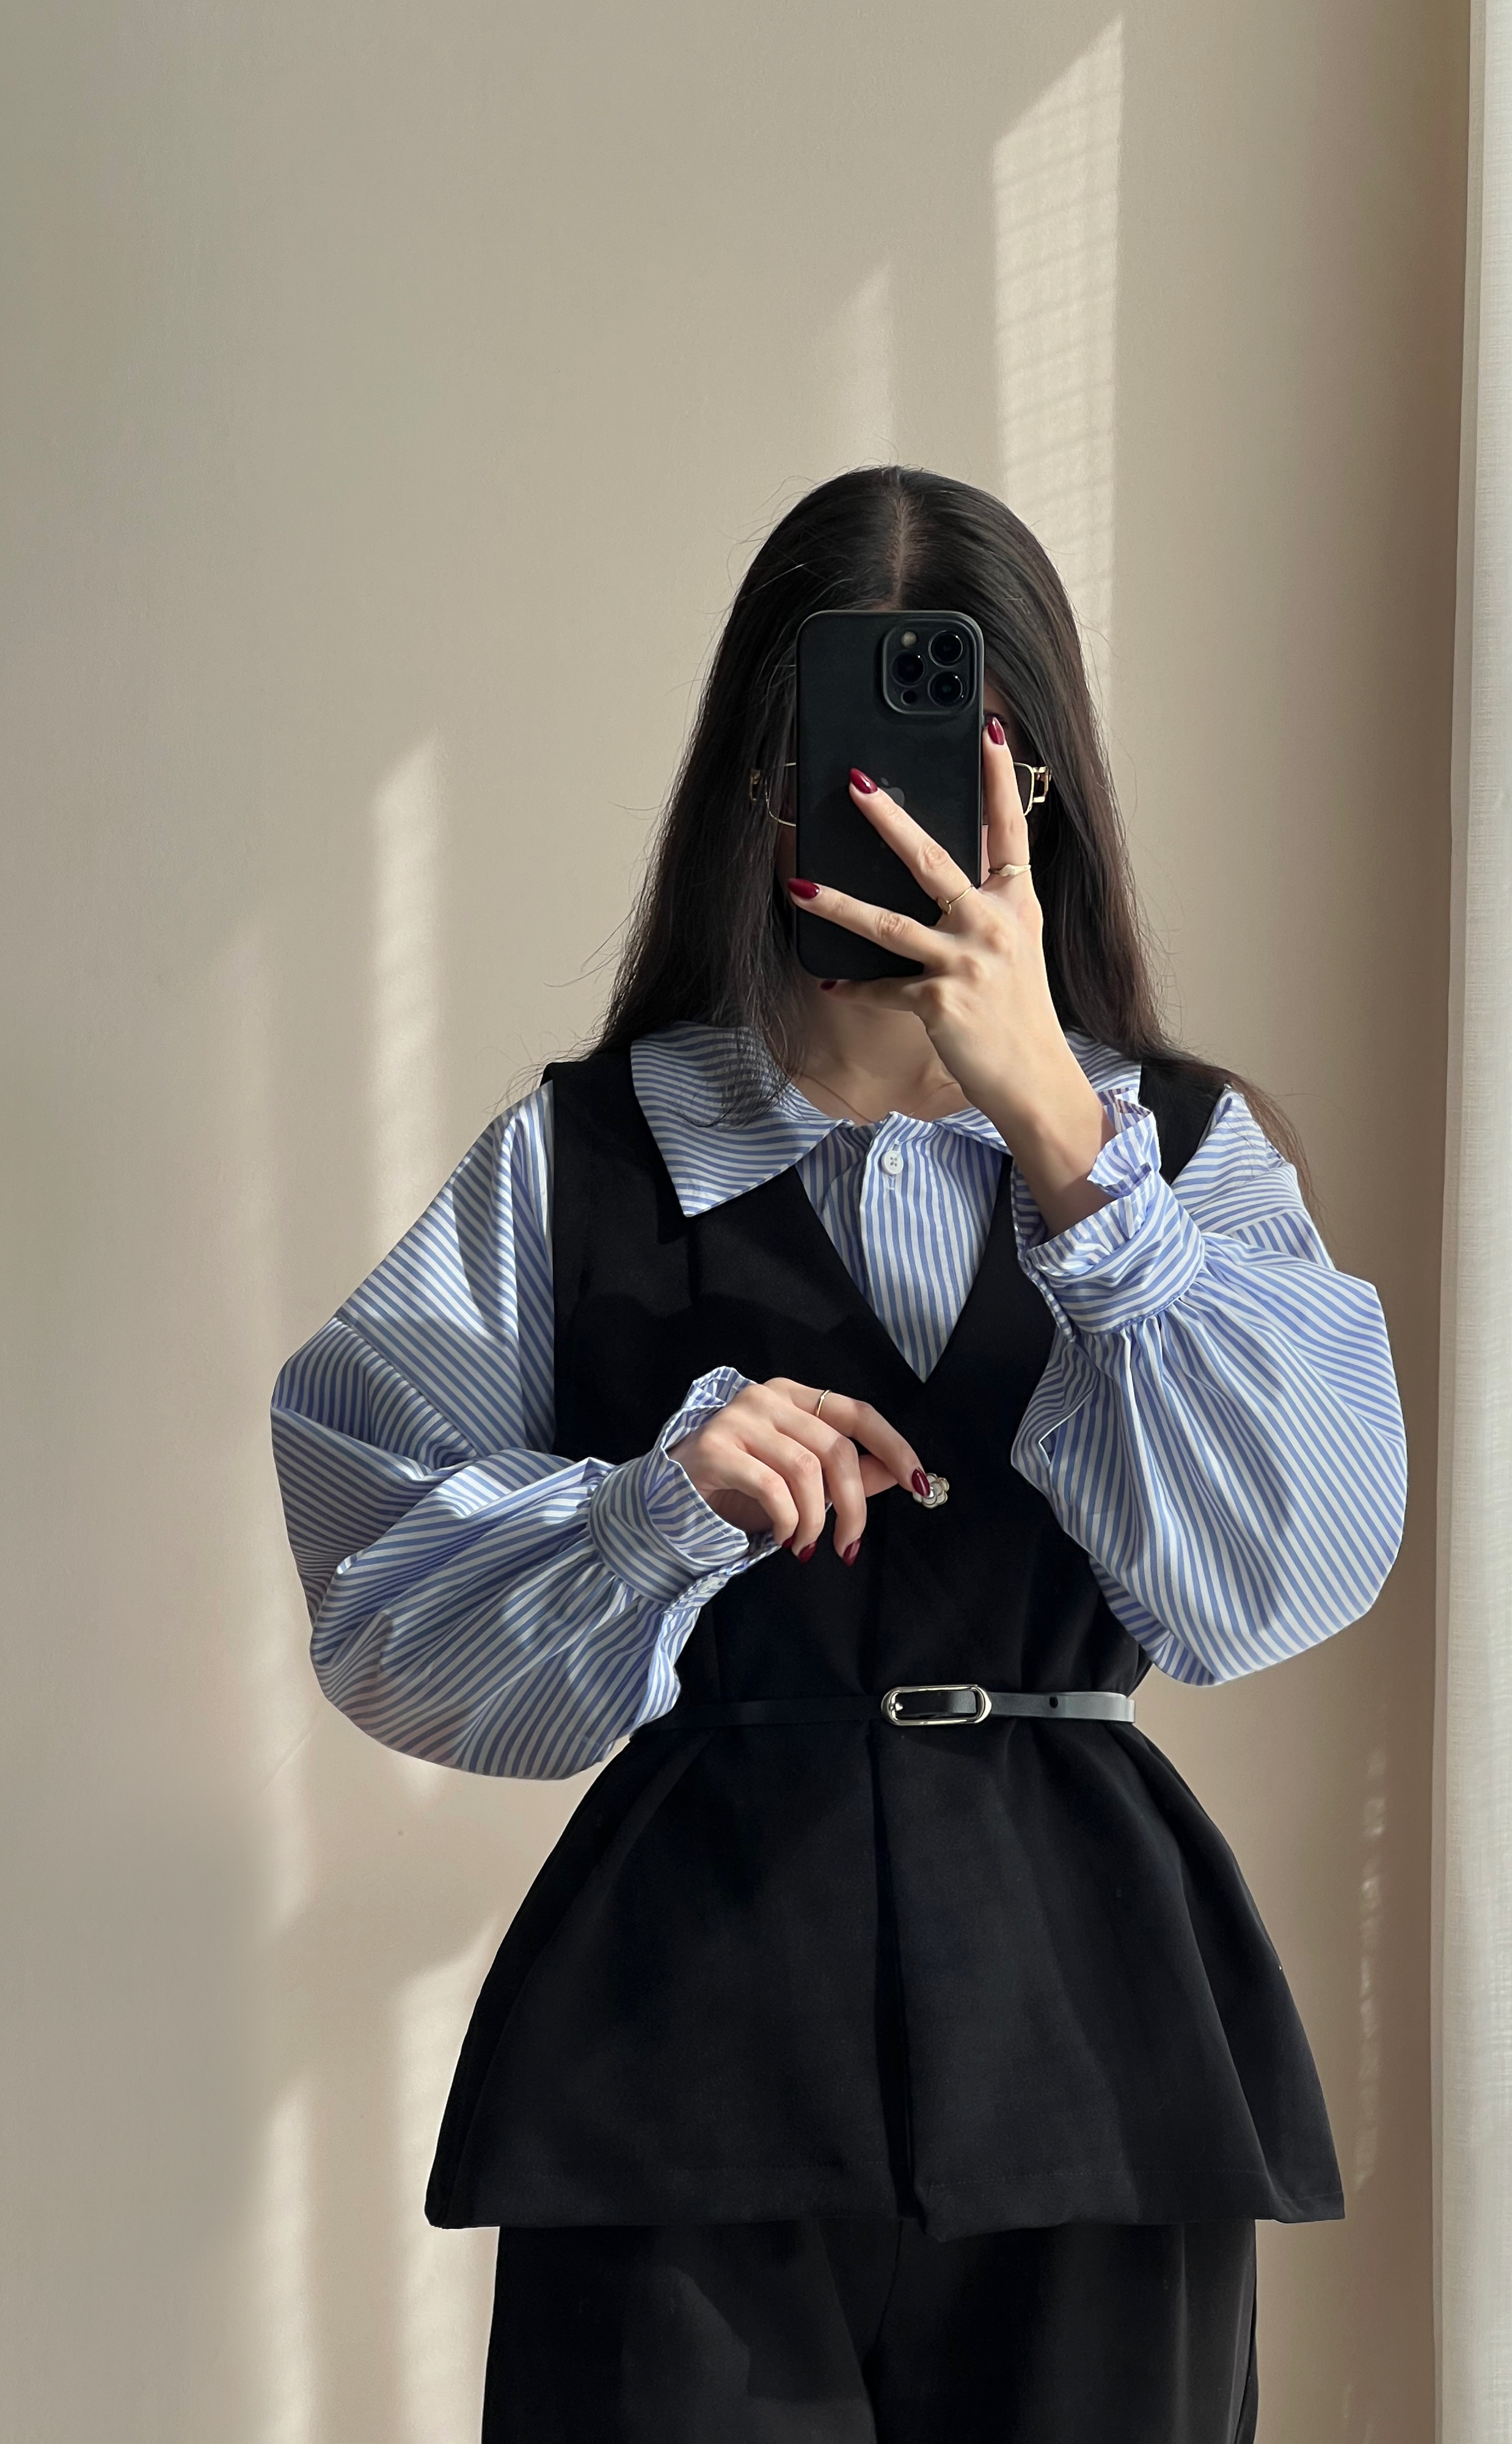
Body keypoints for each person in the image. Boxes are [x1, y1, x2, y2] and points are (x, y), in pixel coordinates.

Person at [271, 466, 1408, 2443]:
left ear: (1039, 791)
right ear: (761, 785)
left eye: (961, 768)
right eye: (841, 765)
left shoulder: (1179, 1154)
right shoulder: (581, 1158)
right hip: (679, 2031)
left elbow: (1285, 1571)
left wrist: (1072, 1149)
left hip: (1095, 2031)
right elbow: (384, 1621)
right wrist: (648, 1514)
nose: (898, 822)